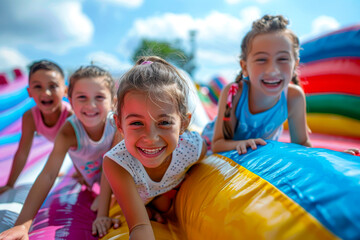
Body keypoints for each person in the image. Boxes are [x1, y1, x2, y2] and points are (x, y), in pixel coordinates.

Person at [0, 65, 121, 239]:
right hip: (92, 172)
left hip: (114, 175)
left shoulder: (115, 126)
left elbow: (114, 166)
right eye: (82, 97)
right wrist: (22, 225)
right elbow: (48, 175)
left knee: (100, 203)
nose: (91, 105)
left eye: (100, 97)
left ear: (113, 102)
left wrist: (103, 211)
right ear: (70, 100)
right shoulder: (68, 131)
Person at [102, 56, 207, 240]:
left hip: (165, 194)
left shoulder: (193, 148)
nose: (151, 138)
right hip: (137, 197)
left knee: (165, 204)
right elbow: (140, 226)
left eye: (164, 122)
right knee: (160, 206)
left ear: (183, 123)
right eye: (136, 123)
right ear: (119, 125)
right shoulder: (118, 163)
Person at [207, 15, 312, 155]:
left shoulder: (294, 97)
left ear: (295, 65)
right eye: (261, 59)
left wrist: (334, 159)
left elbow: (302, 146)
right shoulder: (235, 93)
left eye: (282, 59)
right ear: (244, 67)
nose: (273, 70)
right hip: (207, 148)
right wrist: (241, 144)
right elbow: (217, 145)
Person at [0, 60, 72, 194]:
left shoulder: (69, 116)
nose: (46, 92)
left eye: (53, 86)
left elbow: (83, 147)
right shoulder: (30, 117)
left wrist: (78, 173)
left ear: (65, 91)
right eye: (38, 86)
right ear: (29, 92)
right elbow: (22, 152)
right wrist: (10, 184)